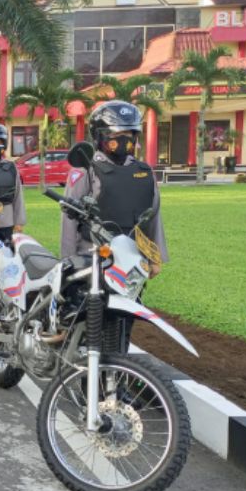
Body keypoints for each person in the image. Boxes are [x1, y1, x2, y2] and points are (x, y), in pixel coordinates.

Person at [61, 101, 167, 355]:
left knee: (123, 319)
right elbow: (69, 220)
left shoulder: (144, 172)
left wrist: (155, 258)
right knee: (91, 320)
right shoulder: (86, 170)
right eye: (117, 136)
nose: (124, 141)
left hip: (130, 261)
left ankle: (114, 380)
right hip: (93, 259)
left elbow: (153, 216)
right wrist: (67, 260)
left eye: (130, 135)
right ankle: (85, 374)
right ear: (100, 136)